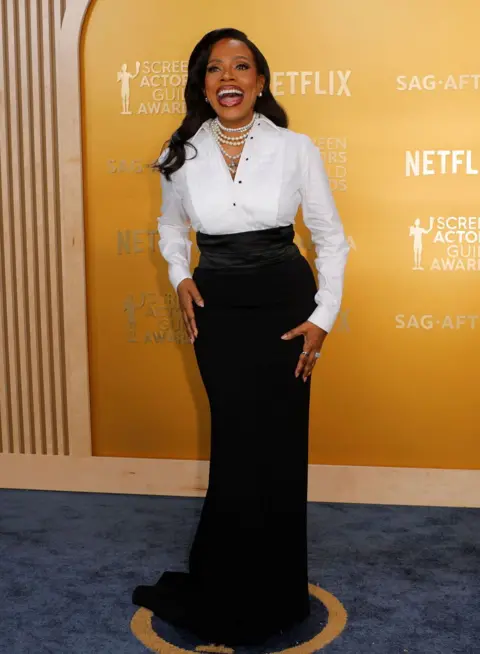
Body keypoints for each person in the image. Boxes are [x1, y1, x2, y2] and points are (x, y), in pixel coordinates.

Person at [132, 27, 349, 646]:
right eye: (215, 68)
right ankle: (226, 585)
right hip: (218, 310)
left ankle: (276, 596)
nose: (229, 77)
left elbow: (331, 237)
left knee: (278, 445)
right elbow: (170, 228)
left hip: (286, 303)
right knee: (235, 441)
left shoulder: (296, 148)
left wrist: (323, 315)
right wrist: (178, 276)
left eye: (242, 66)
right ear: (202, 84)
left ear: (260, 81)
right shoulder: (181, 152)